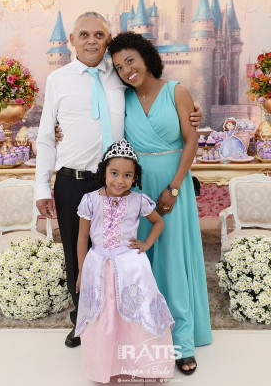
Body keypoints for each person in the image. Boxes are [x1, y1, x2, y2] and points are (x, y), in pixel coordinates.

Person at [35, 11, 201, 349]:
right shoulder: (58, 80)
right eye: (84, 35)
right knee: (77, 252)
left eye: (99, 35)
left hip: (119, 183)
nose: (91, 41)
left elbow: (156, 98)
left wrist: (193, 114)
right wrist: (41, 186)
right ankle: (83, 320)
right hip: (73, 178)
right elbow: (46, 137)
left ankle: (124, 322)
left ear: (107, 40)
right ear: (72, 40)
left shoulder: (120, 75)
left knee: (123, 253)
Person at [108, 31, 212, 375]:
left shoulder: (176, 91)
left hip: (172, 185)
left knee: (173, 259)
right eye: (119, 67)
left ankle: (181, 341)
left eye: (130, 61)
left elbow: (191, 140)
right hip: (137, 189)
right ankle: (145, 335)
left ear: (146, 57)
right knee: (141, 260)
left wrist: (175, 187)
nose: (127, 70)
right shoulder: (121, 99)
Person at [75, 139, 175, 383]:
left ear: (134, 177)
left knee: (137, 312)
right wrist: (81, 272)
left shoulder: (138, 200)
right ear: (104, 172)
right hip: (98, 266)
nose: (120, 180)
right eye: (114, 173)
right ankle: (106, 365)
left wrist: (146, 244)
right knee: (103, 315)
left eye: (127, 175)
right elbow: (82, 238)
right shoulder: (89, 200)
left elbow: (158, 222)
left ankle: (144, 366)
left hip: (131, 267)